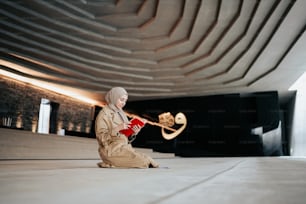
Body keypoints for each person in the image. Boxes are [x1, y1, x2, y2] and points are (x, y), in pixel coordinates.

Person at [95, 87, 159, 168]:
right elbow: (101, 138)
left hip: (124, 148)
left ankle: (112, 162)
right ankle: (108, 161)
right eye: (121, 100)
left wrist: (134, 132)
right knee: (142, 162)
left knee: (148, 159)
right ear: (114, 98)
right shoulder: (104, 114)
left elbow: (125, 137)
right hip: (111, 151)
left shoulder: (121, 113)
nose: (123, 103)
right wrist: (117, 128)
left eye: (125, 101)